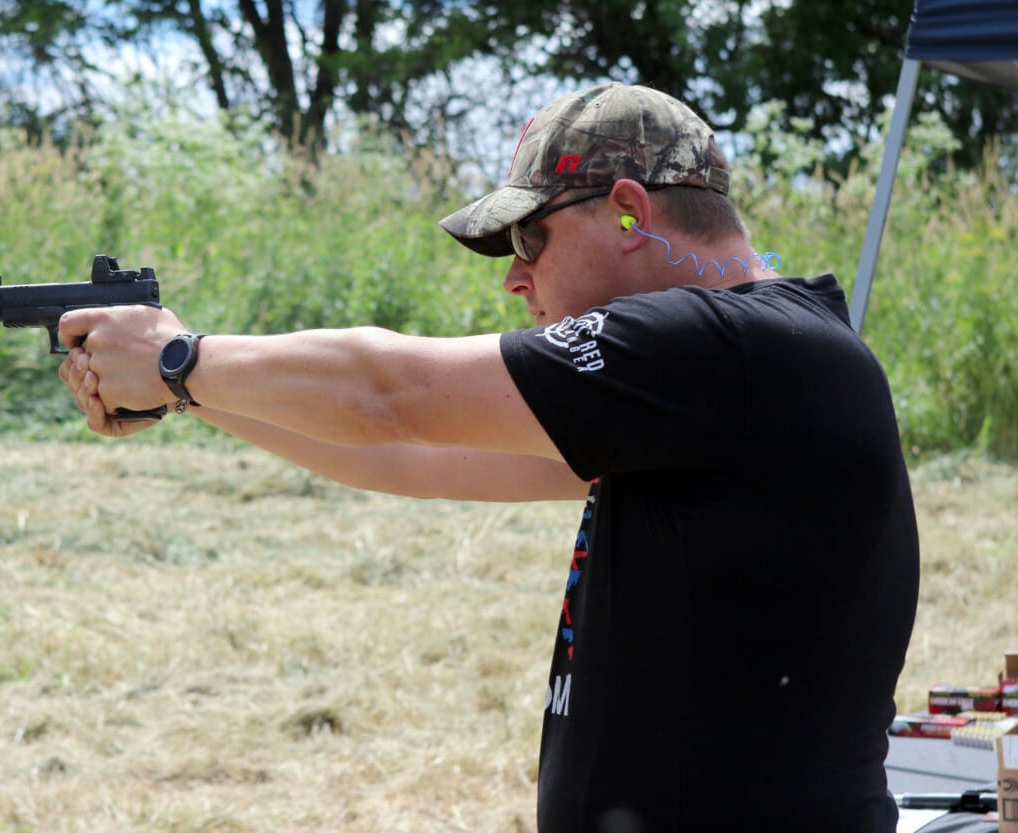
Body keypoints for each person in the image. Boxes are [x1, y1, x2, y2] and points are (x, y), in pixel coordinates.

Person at [57, 83, 919, 833]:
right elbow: (407, 453)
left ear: (629, 209)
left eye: (530, 241)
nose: (515, 278)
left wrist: (181, 357)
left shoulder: (721, 346)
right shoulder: (733, 375)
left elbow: (393, 390)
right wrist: (190, 391)